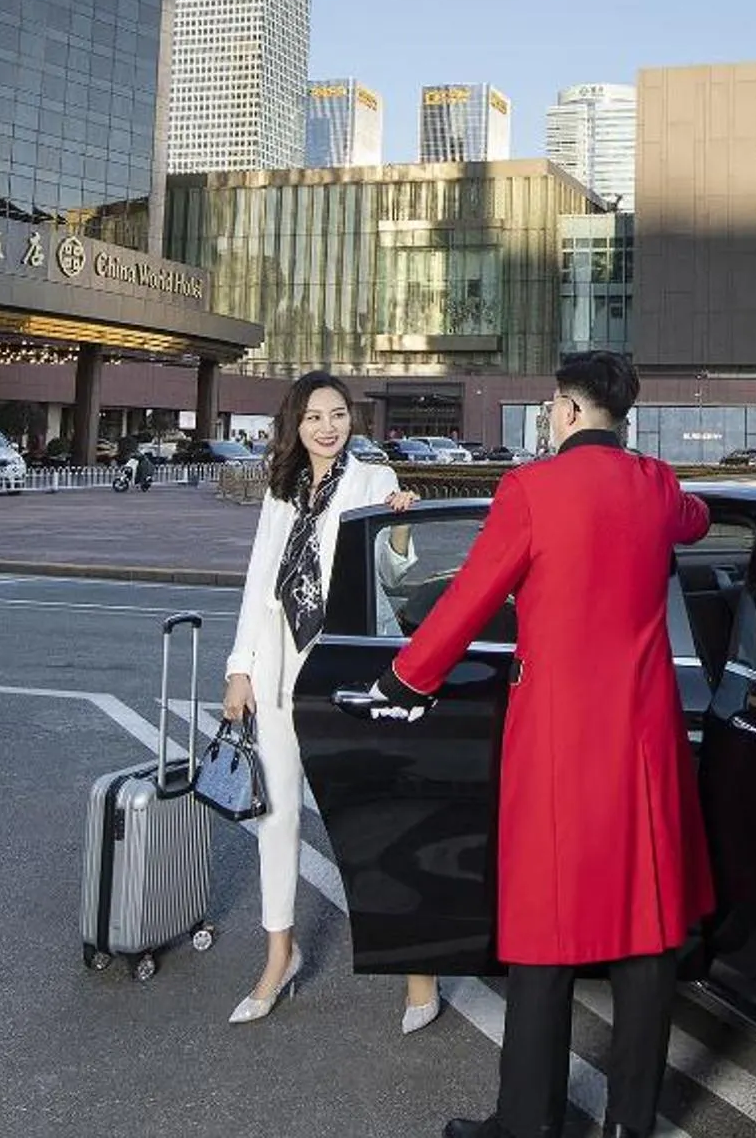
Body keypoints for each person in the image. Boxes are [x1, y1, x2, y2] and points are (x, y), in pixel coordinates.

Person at [369, 352, 713, 1138]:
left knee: (546, 934)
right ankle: (630, 1122)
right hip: (643, 737)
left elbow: (468, 597)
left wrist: (405, 677)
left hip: (557, 736)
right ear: (620, 415)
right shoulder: (657, 485)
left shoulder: (530, 489)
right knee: (646, 926)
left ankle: (528, 1124)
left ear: (563, 410)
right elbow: (693, 519)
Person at [219, 370, 443, 1034]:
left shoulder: (371, 480)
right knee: (278, 813)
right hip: (280, 665)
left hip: (343, 663)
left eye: (337, 413)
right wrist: (240, 669)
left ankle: (417, 966)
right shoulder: (281, 487)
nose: (326, 425)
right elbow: (261, 580)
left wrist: (401, 529)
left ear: (351, 420)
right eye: (314, 415)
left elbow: (395, 578)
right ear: (296, 423)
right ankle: (278, 956)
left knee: (374, 812)